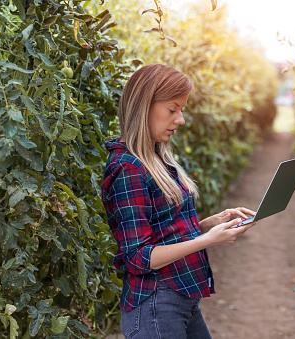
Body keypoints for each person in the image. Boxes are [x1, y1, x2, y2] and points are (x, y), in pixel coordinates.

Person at [101, 63, 257, 339]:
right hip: (155, 306)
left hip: (178, 299)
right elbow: (138, 256)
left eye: (181, 110)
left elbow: (165, 231)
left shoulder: (155, 158)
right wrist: (206, 241)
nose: (180, 119)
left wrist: (211, 224)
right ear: (143, 106)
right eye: (173, 110)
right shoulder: (128, 169)